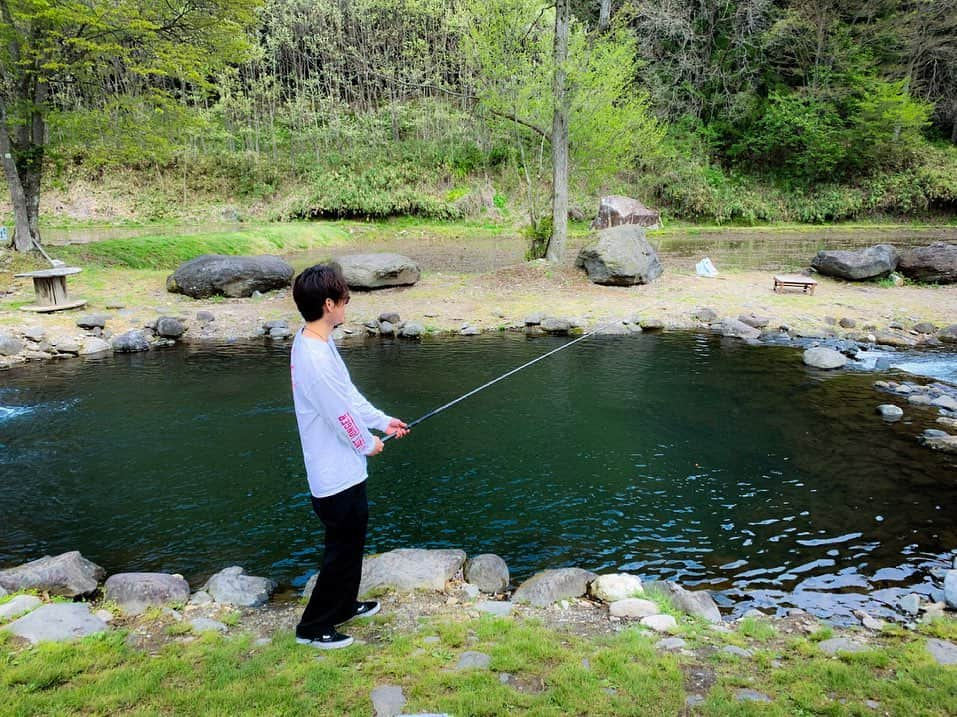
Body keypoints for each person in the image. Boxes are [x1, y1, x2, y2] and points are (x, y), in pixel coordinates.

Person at [290, 263, 408, 649]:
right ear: (329, 304)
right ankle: (314, 627)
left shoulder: (317, 341)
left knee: (352, 543)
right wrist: (368, 443)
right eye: (344, 299)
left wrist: (383, 421)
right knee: (340, 551)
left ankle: (344, 605)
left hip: (345, 471)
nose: (347, 305)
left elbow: (349, 397)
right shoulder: (315, 359)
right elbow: (339, 415)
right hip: (333, 475)